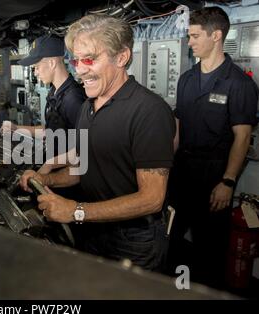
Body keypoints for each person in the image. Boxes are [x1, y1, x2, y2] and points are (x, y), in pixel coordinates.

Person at [20, 14, 176, 272]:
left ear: (121, 57)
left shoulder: (149, 111)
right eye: (76, 60)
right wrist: (45, 179)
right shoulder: (88, 108)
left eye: (90, 59)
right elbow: (84, 167)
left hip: (134, 241)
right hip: (95, 230)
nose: (80, 69)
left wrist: (76, 211)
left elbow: (152, 198)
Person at [168, 7, 258, 288]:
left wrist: (228, 182)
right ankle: (172, 290)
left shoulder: (239, 83)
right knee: (171, 239)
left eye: (195, 36)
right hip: (182, 172)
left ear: (216, 36)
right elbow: (178, 128)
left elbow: (242, 137)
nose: (190, 42)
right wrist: (166, 167)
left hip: (214, 176)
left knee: (209, 248)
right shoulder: (186, 78)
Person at [1, 35, 86, 161]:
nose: (35, 73)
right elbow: (49, 132)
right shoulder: (54, 92)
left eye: (36, 67)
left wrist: (48, 171)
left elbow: (83, 152)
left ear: (52, 63)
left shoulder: (73, 99)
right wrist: (16, 128)